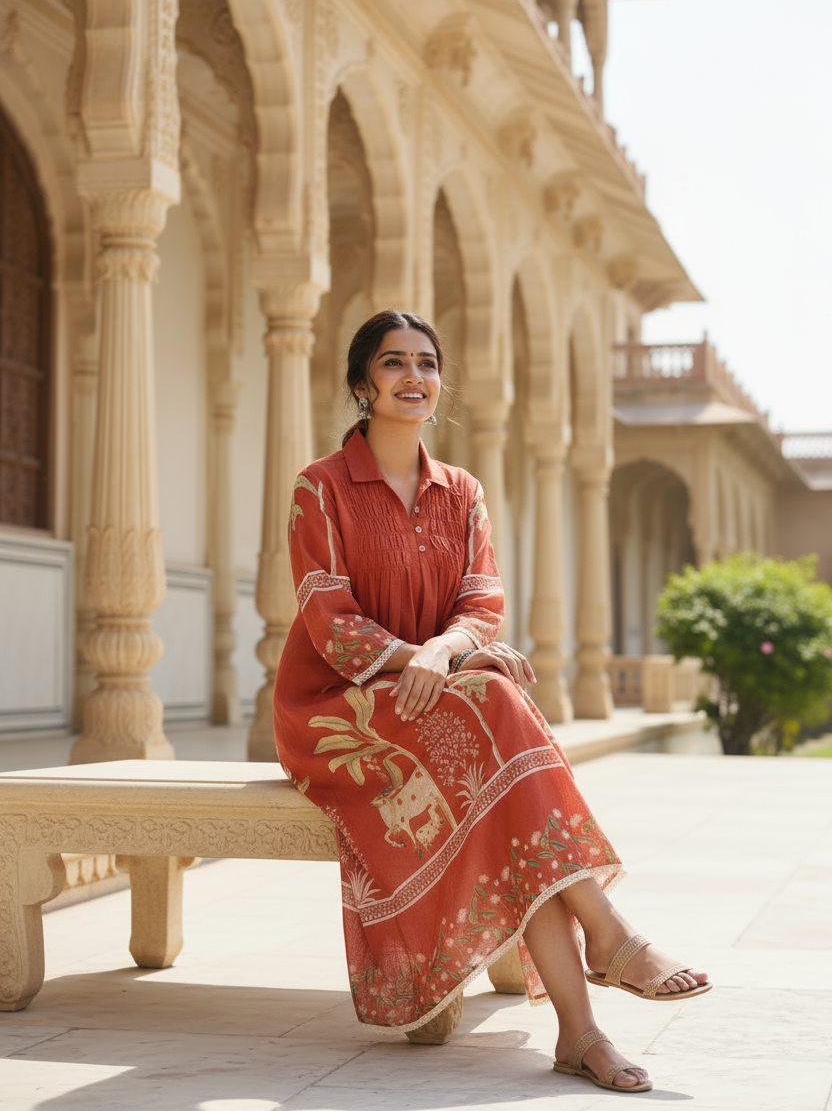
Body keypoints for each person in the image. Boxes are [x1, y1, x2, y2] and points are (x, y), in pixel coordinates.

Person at [273, 309, 710, 1094]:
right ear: (360, 384)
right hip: (339, 710)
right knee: (495, 700)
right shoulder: (321, 488)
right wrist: (431, 659)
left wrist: (447, 651)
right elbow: (327, 617)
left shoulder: (462, 492)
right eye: (394, 362)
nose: (414, 376)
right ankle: (607, 941)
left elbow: (481, 602)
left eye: (427, 363)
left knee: (499, 753)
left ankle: (581, 1031)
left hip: (438, 697)